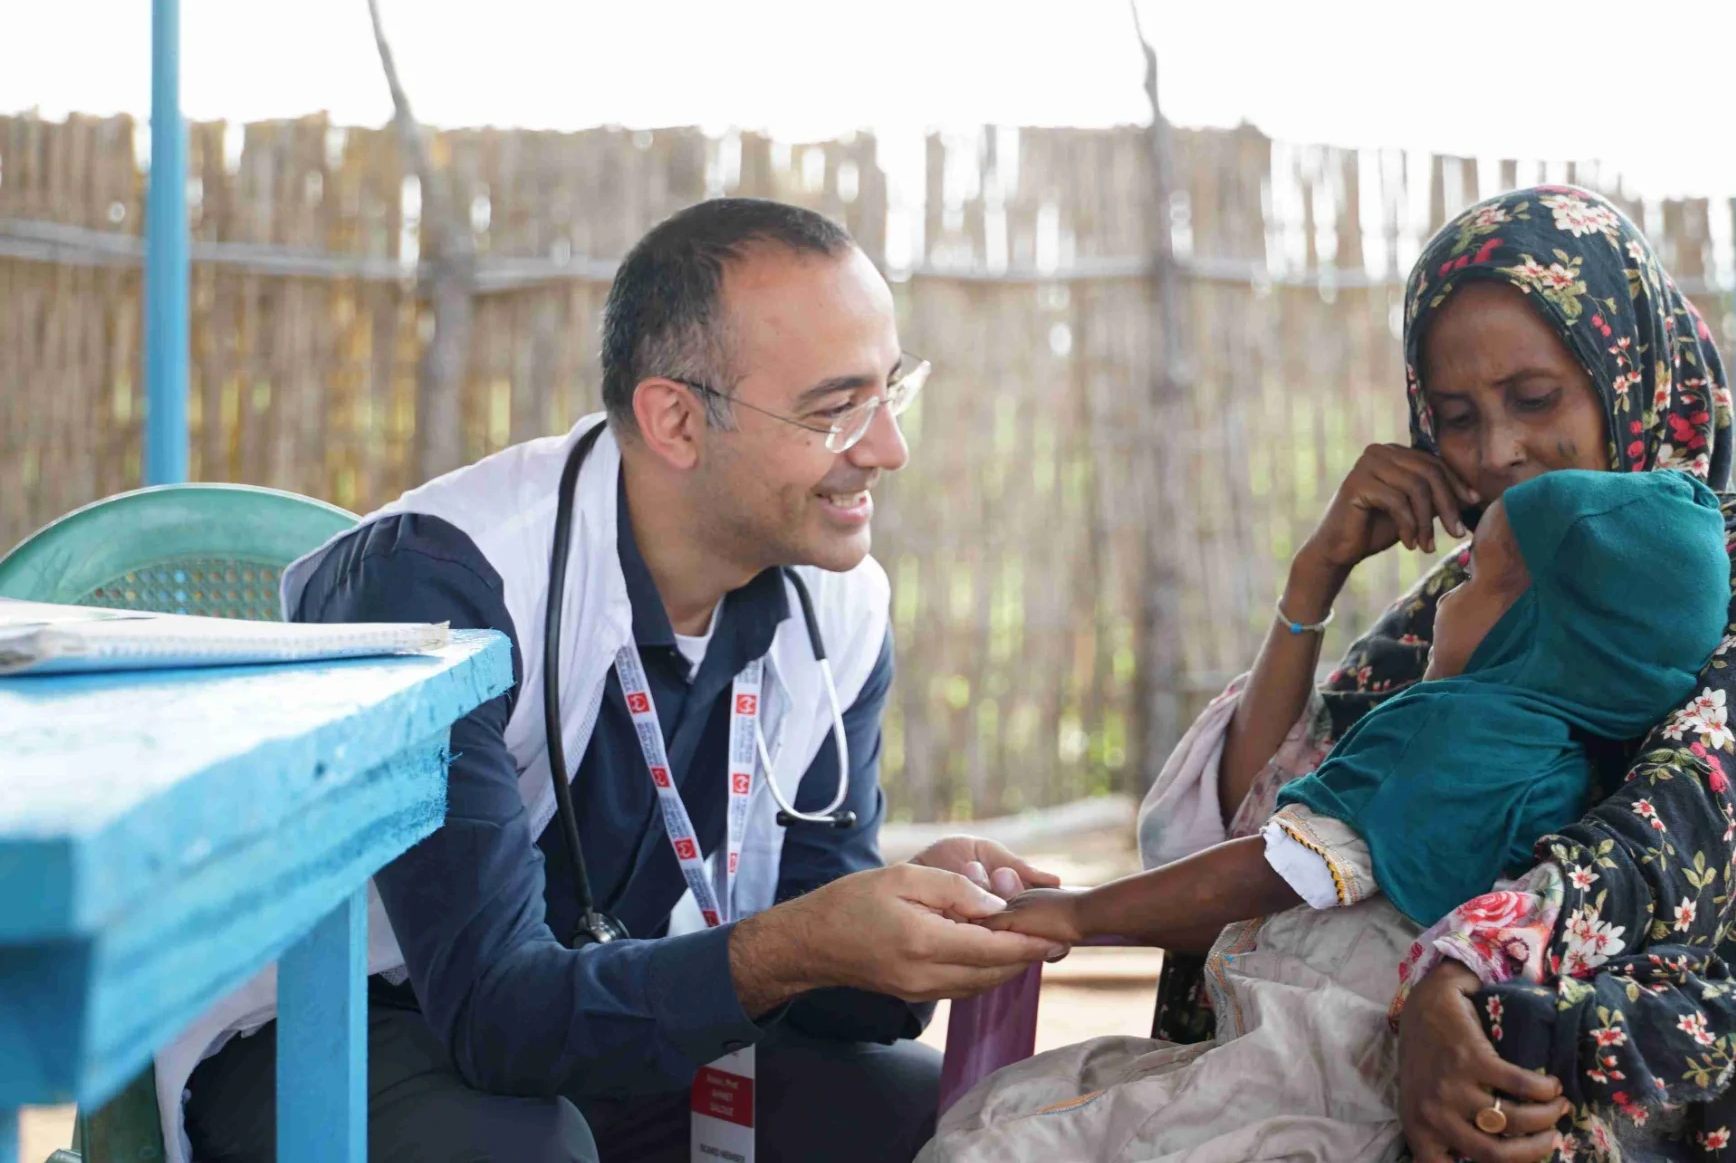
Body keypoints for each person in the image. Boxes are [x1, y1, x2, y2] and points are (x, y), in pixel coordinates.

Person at [161, 199, 1068, 1163]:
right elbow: (493, 1013)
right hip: (340, 1025)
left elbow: (823, 967)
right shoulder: (444, 584)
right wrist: (799, 945)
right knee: (521, 1149)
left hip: (611, 1023)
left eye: (892, 391)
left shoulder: (837, 607)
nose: (889, 448)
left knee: (945, 1123)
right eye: (836, 410)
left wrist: (916, 923)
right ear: (675, 419)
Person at [1136, 186, 1736, 1162]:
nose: (1498, 453)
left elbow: (1672, 836)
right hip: (1331, 1043)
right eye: (1455, 418)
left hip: (1575, 1082)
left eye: (1536, 400)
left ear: (1631, 375)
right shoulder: (1473, 588)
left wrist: (1453, 975)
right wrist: (1312, 581)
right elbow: (1267, 828)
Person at [921, 469, 1730, 1163]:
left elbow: (1269, 871)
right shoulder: (1580, 775)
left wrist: (1078, 911)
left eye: (1473, 575)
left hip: (1284, 1078)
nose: (1444, 596)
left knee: (994, 1134)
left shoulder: (1451, 732)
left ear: (1531, 629)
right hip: (1345, 1103)